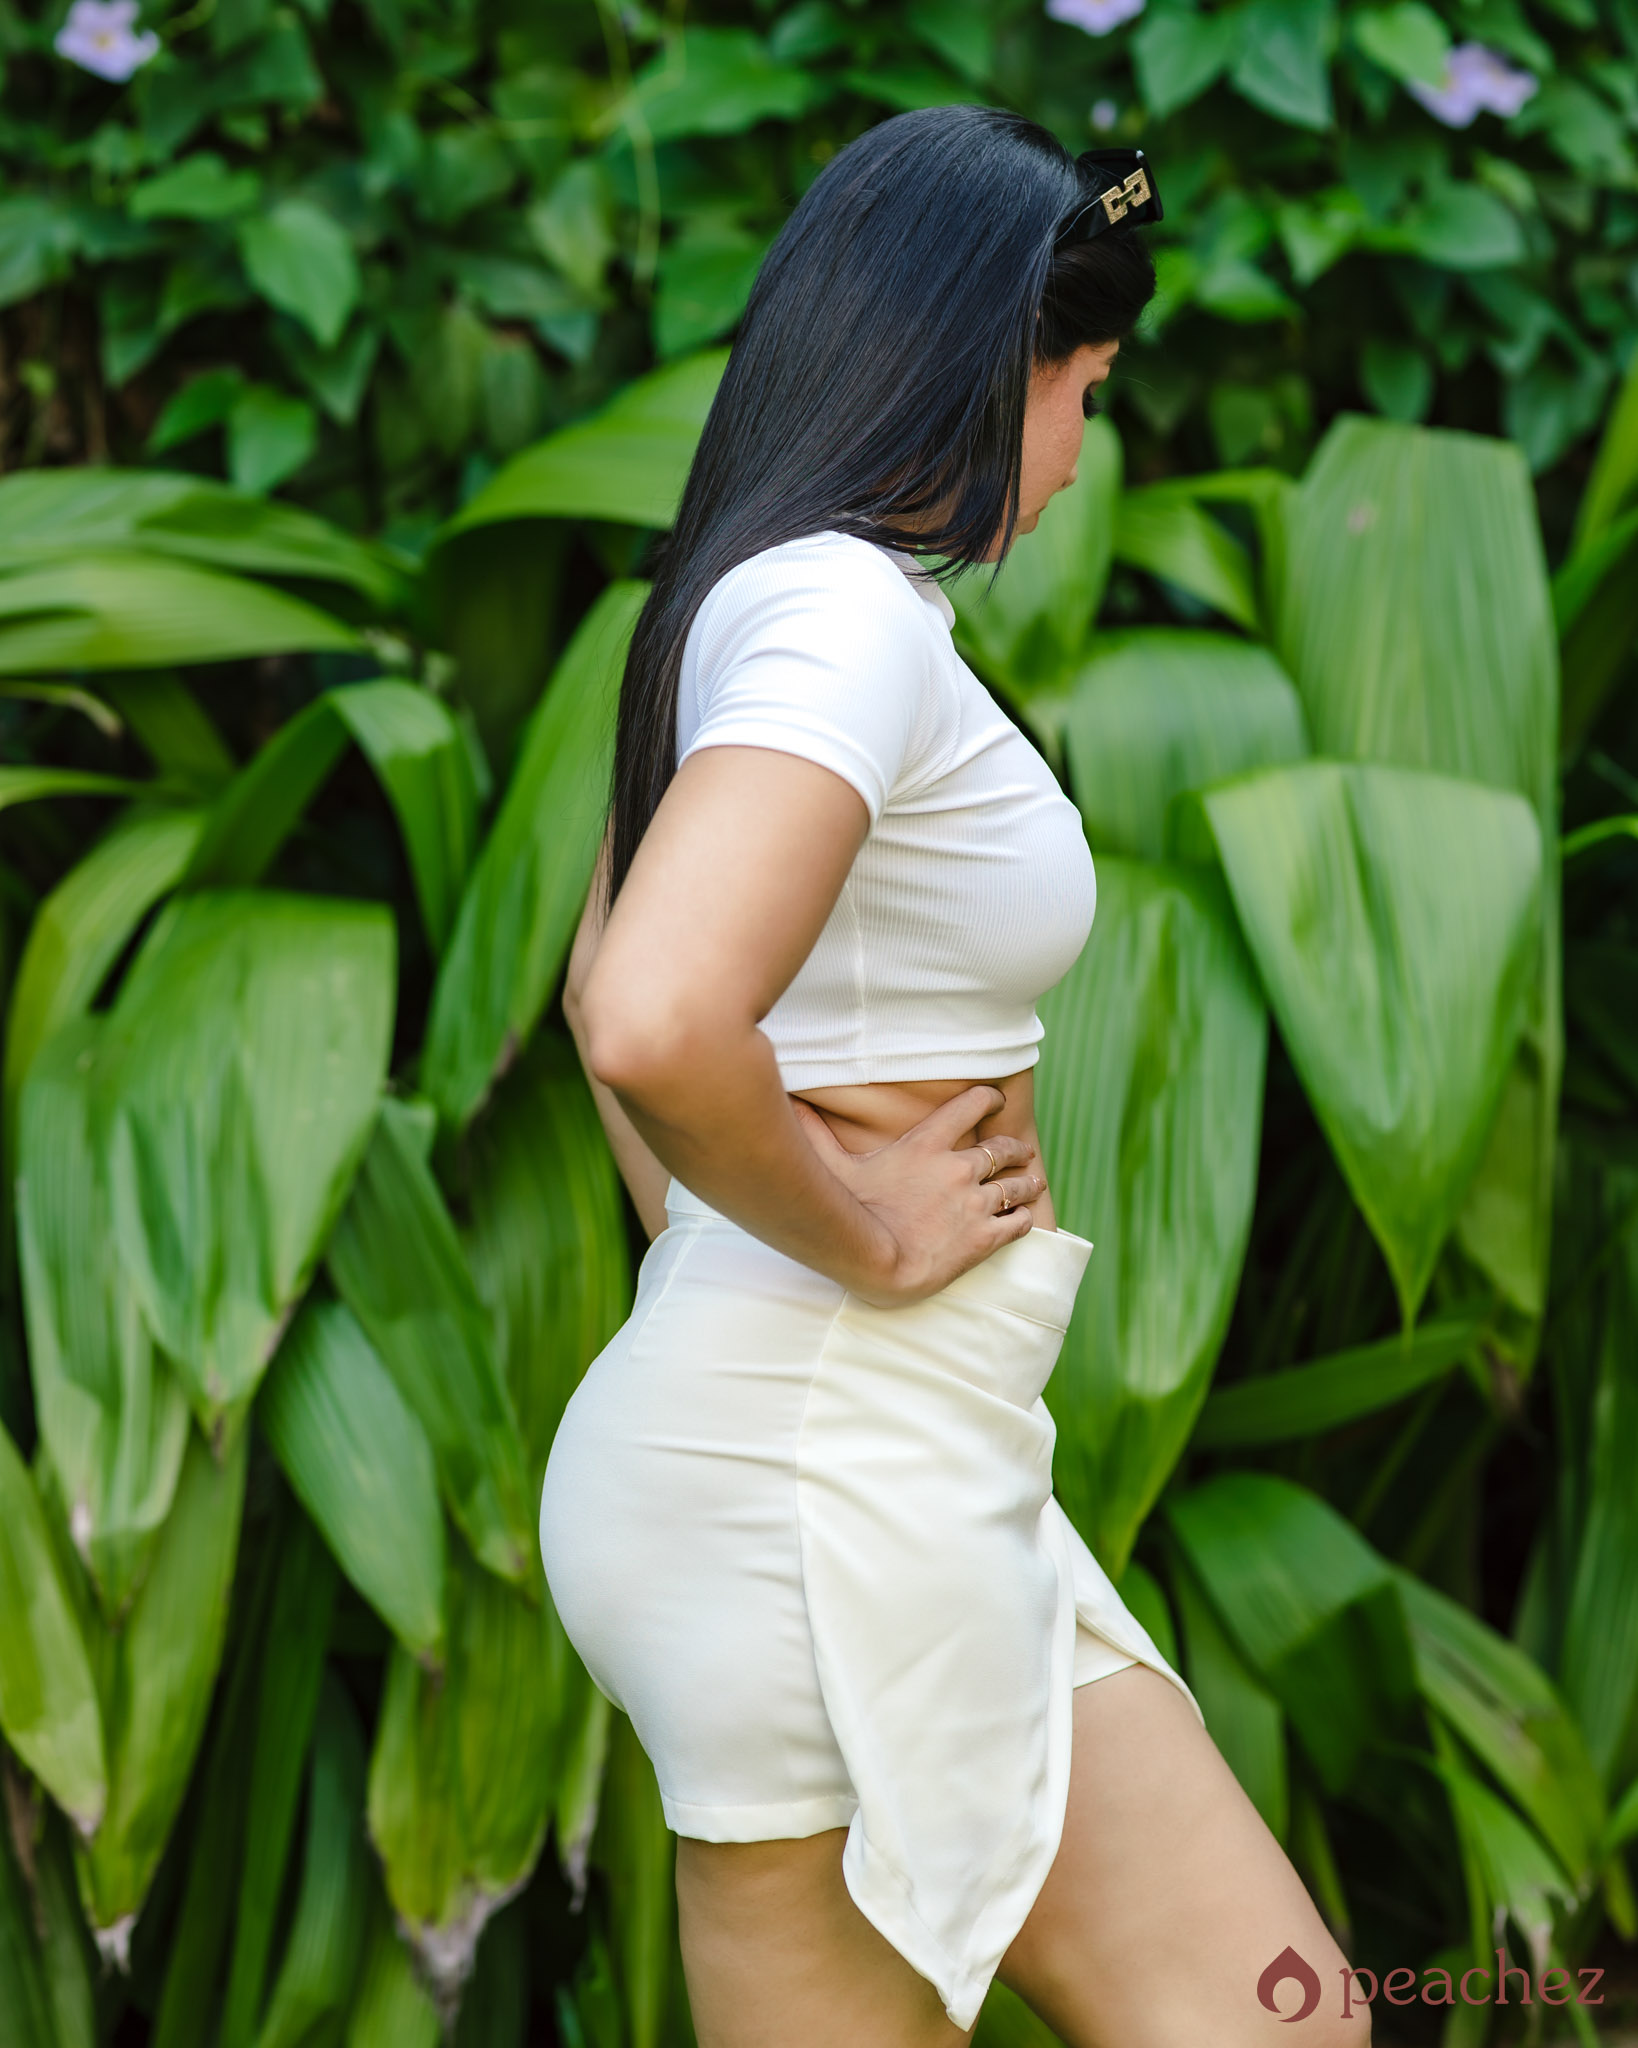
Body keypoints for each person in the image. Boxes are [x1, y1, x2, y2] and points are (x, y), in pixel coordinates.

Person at [541, 104, 1368, 2048]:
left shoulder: (755, 596)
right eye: (1086, 388)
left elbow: (596, 979)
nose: (1079, 453)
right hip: (832, 1474)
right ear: (992, 362)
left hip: (818, 1455)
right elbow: (646, 1014)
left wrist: (740, 1276)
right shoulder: (839, 617)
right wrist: (865, 1242)